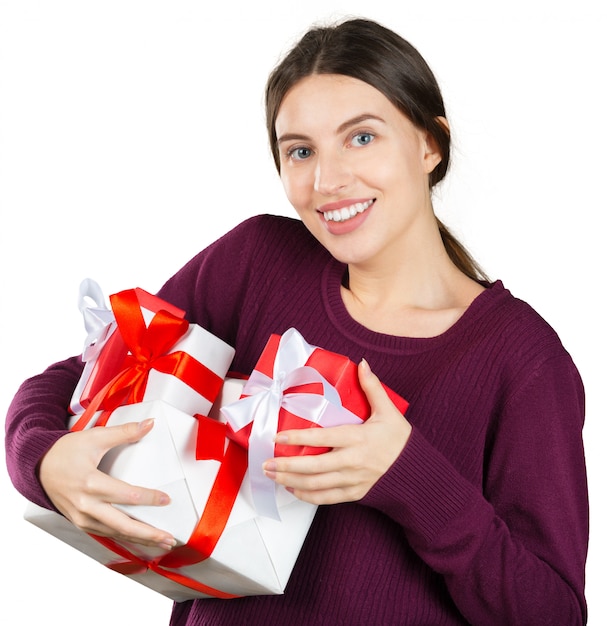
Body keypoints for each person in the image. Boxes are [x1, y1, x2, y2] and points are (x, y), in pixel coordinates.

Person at [5, 17, 588, 626]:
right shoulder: (256, 263)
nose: (326, 181)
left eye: (362, 138)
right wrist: (42, 458)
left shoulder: (522, 359)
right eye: (300, 151)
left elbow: (552, 612)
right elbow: (73, 381)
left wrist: (408, 476)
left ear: (430, 144)